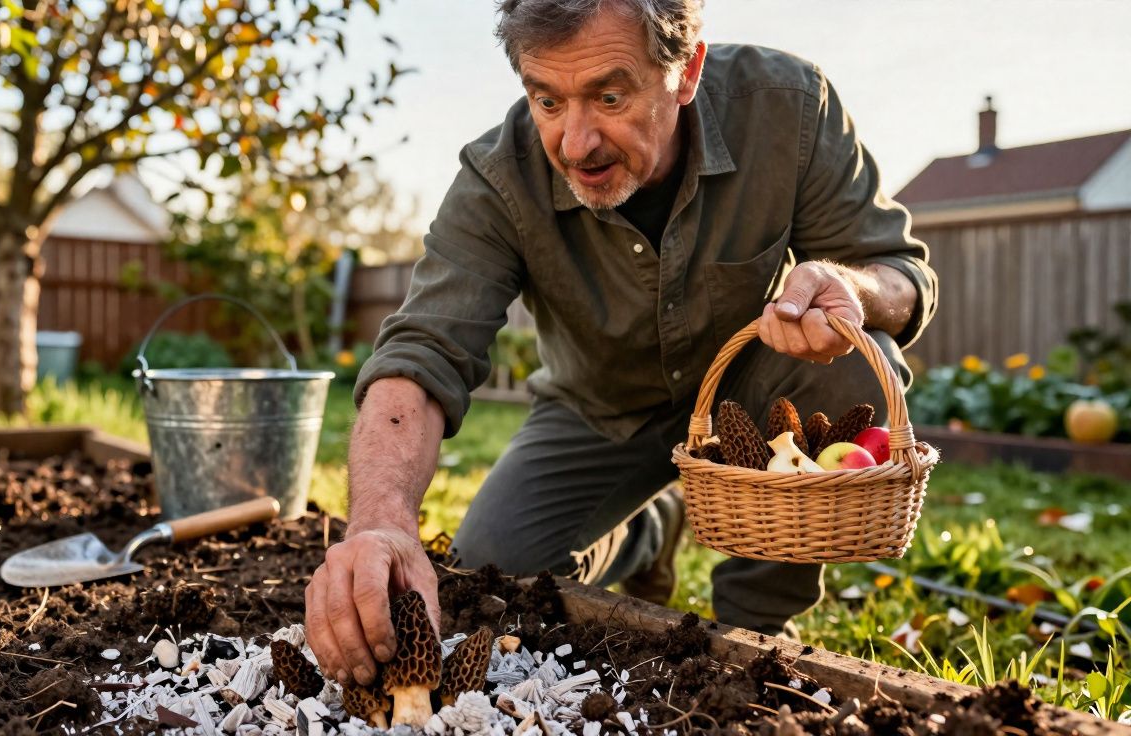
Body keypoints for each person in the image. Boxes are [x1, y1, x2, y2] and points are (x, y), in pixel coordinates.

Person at [305, 0, 937, 688]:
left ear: (687, 68)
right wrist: (379, 522)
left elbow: (900, 274)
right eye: (546, 99)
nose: (576, 143)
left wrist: (855, 288)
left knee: (855, 364)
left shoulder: (787, 108)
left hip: (759, 402)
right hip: (596, 411)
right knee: (492, 570)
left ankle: (760, 630)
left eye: (609, 95)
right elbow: (420, 355)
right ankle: (650, 529)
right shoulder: (498, 179)